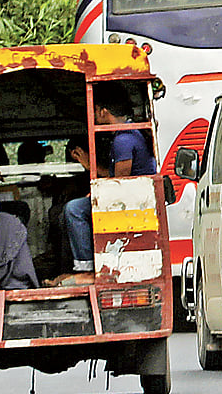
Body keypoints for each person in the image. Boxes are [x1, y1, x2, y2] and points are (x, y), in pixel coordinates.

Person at [52, 86, 155, 286]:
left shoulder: (124, 139)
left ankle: (86, 268)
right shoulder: (129, 132)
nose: (94, 115)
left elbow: (119, 184)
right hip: (131, 196)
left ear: (103, 111)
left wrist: (94, 183)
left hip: (131, 202)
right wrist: (91, 166)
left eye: (95, 110)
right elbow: (115, 173)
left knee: (73, 210)